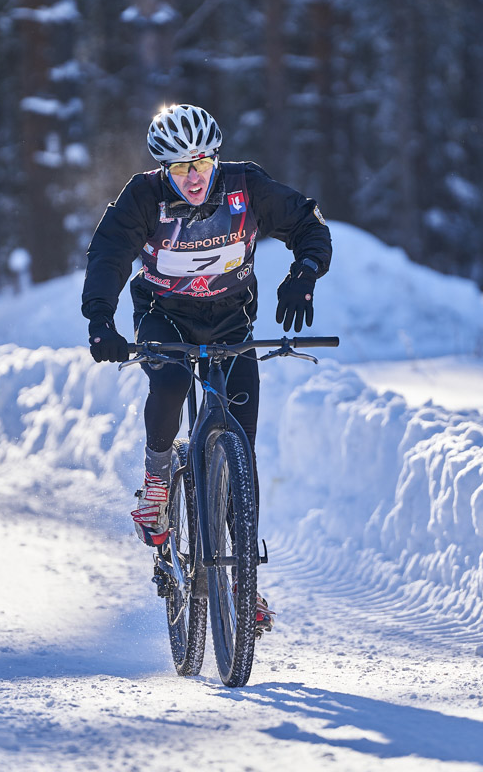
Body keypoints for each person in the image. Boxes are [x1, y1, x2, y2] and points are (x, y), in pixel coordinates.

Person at [81, 104, 331, 623]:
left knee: (244, 446)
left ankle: (244, 583)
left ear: (215, 158)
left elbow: (307, 223)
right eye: (178, 169)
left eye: (200, 164)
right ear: (162, 170)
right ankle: (156, 484)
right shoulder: (142, 196)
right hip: (162, 316)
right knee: (170, 383)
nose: (192, 179)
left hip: (231, 320)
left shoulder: (246, 186)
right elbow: (108, 254)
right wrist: (101, 321)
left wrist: (304, 274)